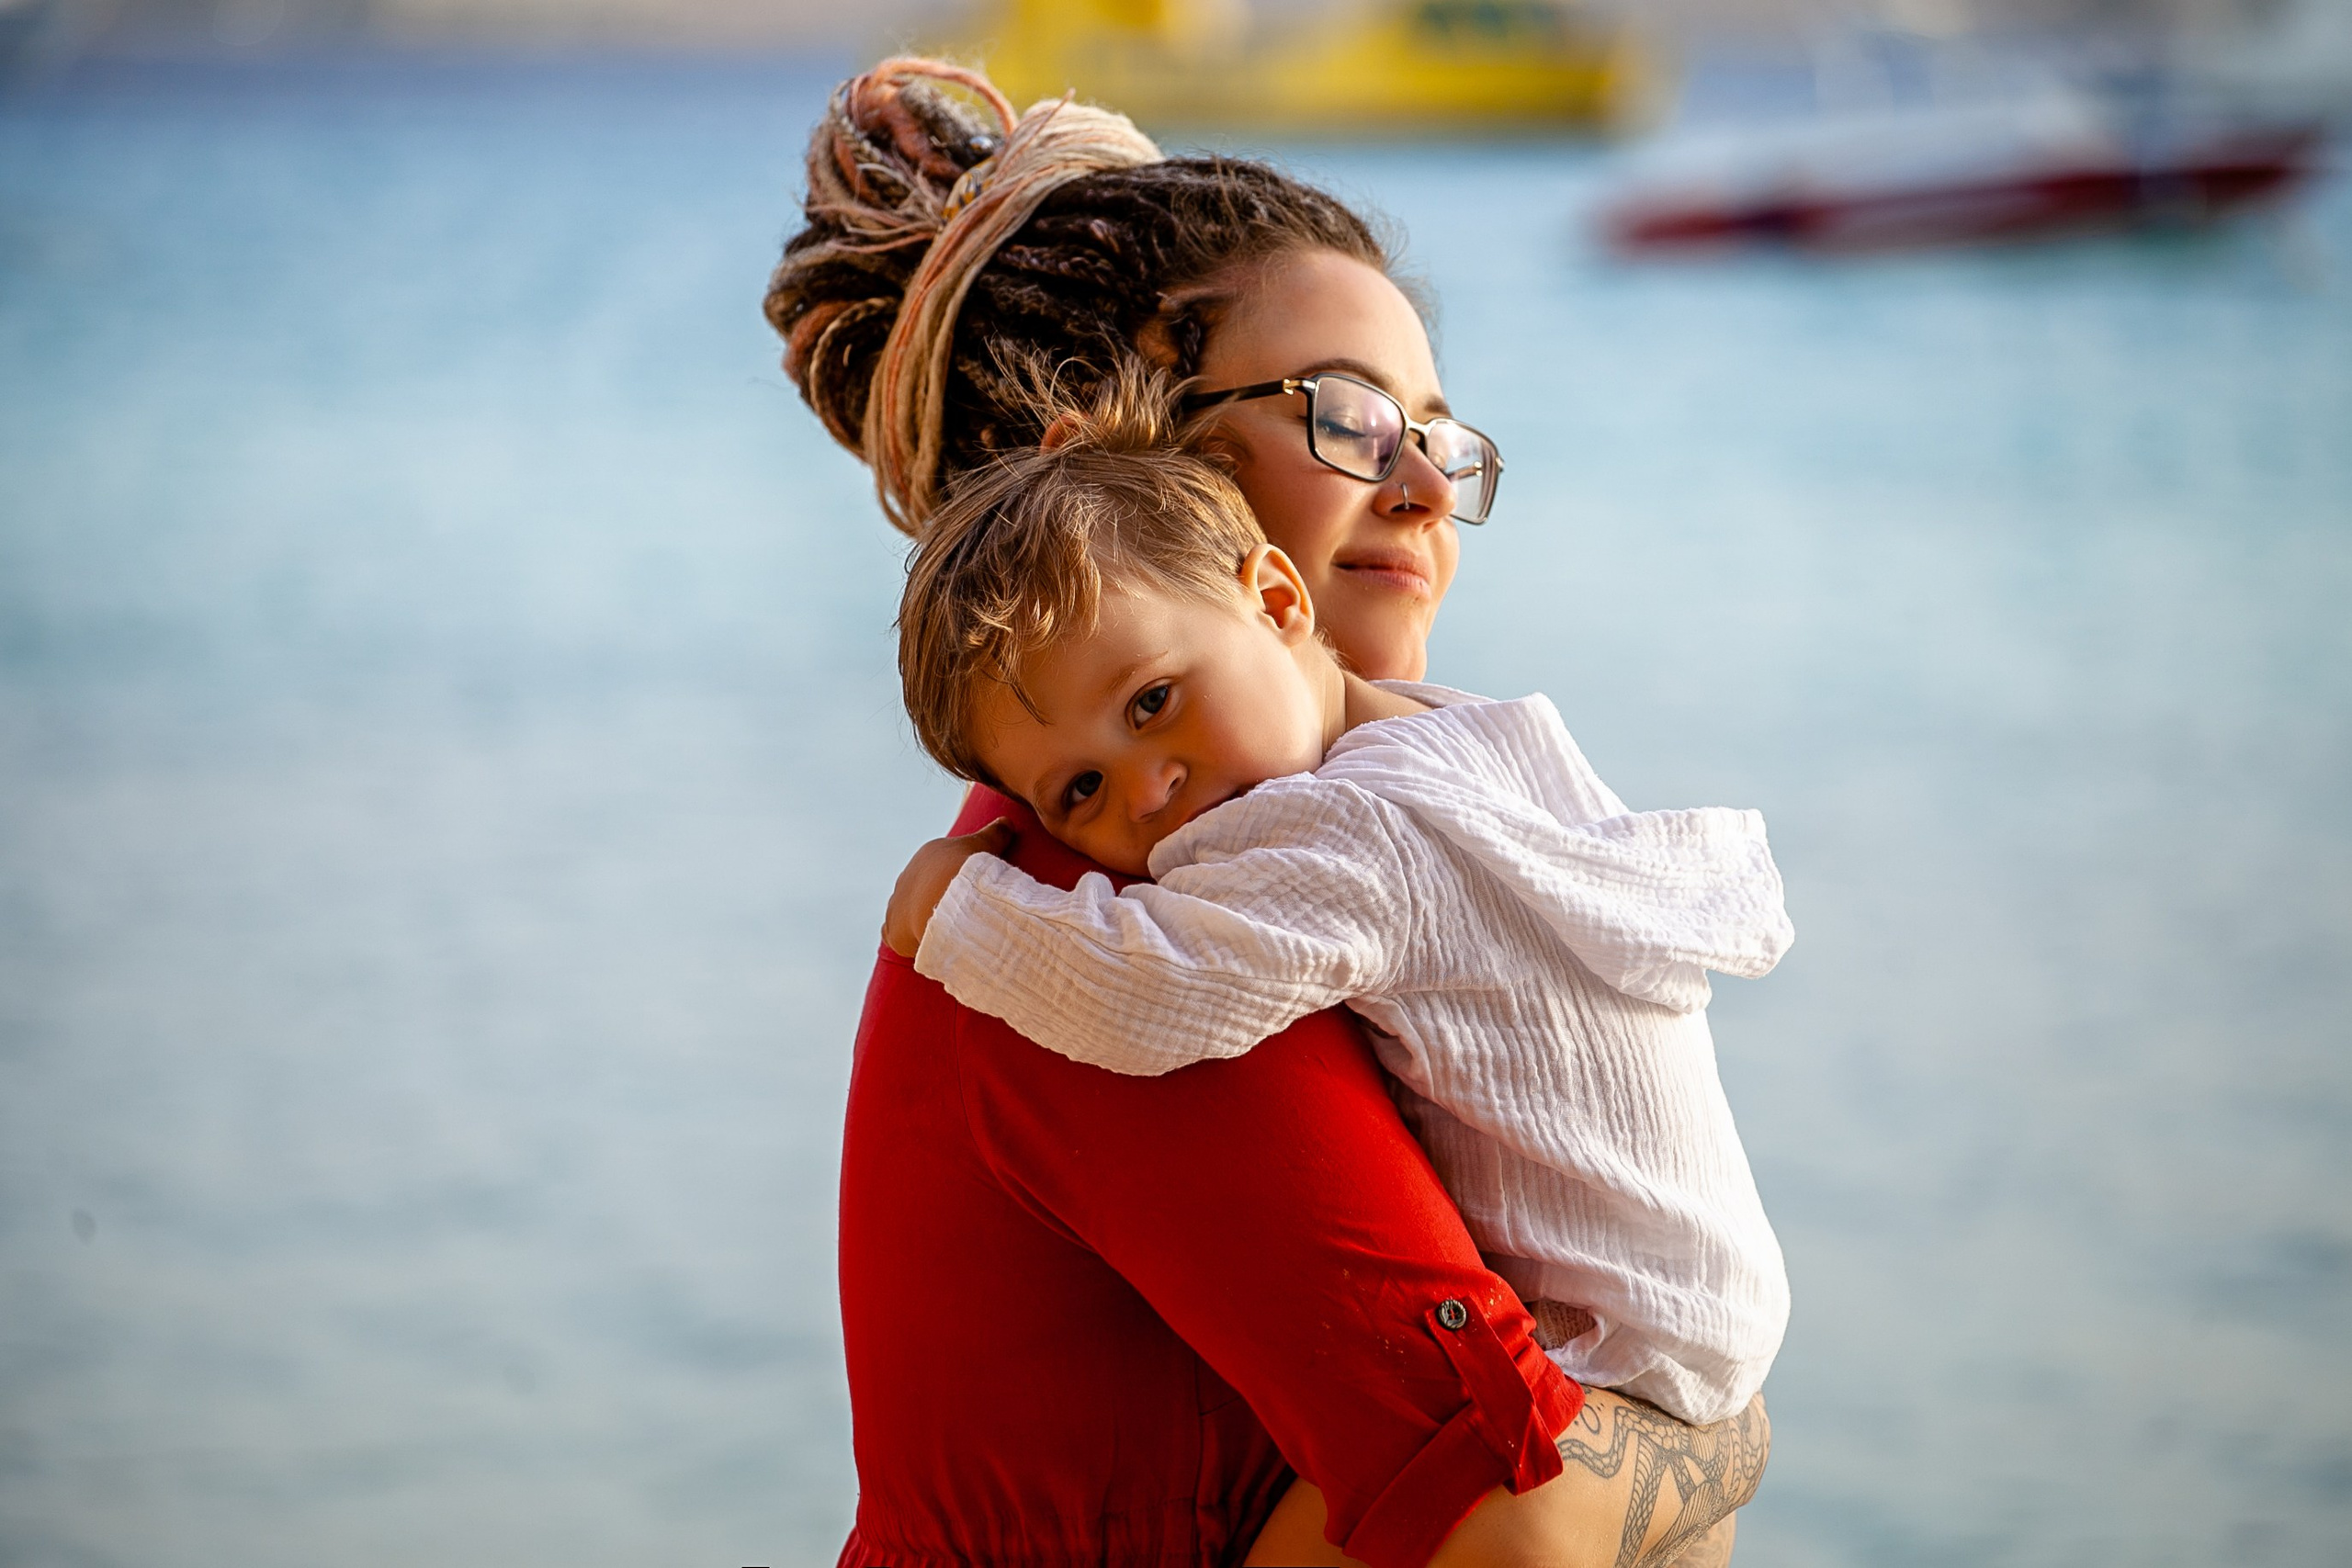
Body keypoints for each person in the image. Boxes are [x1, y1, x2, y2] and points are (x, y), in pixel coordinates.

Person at [764, 56, 1771, 1568]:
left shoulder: (1279, 835)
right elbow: (1513, 1525)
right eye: (1352, 417)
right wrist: (1729, 1425)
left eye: (1439, 429)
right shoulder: (1113, 939)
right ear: (1112, 457)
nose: (1425, 485)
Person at [883, 369, 1795, 1432]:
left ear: (1275, 600)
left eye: (1152, 702)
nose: (1145, 792)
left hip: (1609, 1342)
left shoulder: (1340, 835)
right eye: (1076, 791)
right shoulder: (1460, 730)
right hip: (1705, 1293)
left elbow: (1156, 990)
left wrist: (959, 913)